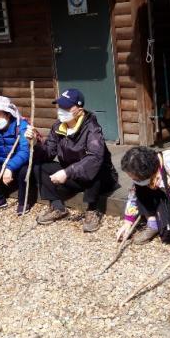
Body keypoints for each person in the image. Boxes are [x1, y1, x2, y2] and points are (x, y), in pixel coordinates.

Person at [25, 88, 118, 232]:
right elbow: (48, 153)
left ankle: (92, 210)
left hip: (100, 179)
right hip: (73, 175)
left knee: (95, 166)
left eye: (67, 107)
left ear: (80, 110)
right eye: (60, 106)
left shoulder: (92, 129)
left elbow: (95, 158)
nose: (61, 110)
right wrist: (35, 143)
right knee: (40, 165)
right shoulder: (58, 127)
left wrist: (67, 173)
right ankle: (57, 207)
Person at [116, 146, 170, 260]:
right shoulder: (144, 176)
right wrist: (127, 222)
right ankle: (152, 223)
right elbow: (133, 195)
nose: (134, 180)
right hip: (167, 203)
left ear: (147, 171)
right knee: (139, 187)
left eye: (136, 178)